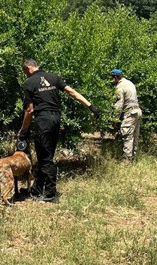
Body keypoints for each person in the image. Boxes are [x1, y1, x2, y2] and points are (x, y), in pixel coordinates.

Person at [18, 59, 101, 202]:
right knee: (46, 154)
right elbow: (72, 92)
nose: (26, 75)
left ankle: (50, 194)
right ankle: (36, 190)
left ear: (28, 68)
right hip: (56, 119)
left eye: (25, 72)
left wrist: (24, 130)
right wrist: (90, 106)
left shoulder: (29, 83)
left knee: (45, 157)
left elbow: (30, 110)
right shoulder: (53, 77)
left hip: (42, 121)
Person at [110, 68, 142, 161]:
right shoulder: (130, 83)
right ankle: (133, 158)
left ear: (116, 77)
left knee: (128, 136)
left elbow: (119, 105)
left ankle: (127, 160)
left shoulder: (120, 86)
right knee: (135, 136)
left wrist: (115, 119)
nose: (111, 81)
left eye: (112, 78)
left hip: (130, 113)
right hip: (137, 111)